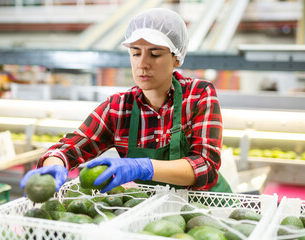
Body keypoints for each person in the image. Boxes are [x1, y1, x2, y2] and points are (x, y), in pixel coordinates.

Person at [20, 8, 232, 194]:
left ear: (176, 57)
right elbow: (68, 148)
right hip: (155, 213)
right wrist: (55, 164)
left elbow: (206, 167)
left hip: (206, 208)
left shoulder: (198, 95)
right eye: (135, 53)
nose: (142, 64)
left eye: (155, 54)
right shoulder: (119, 108)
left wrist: (142, 167)